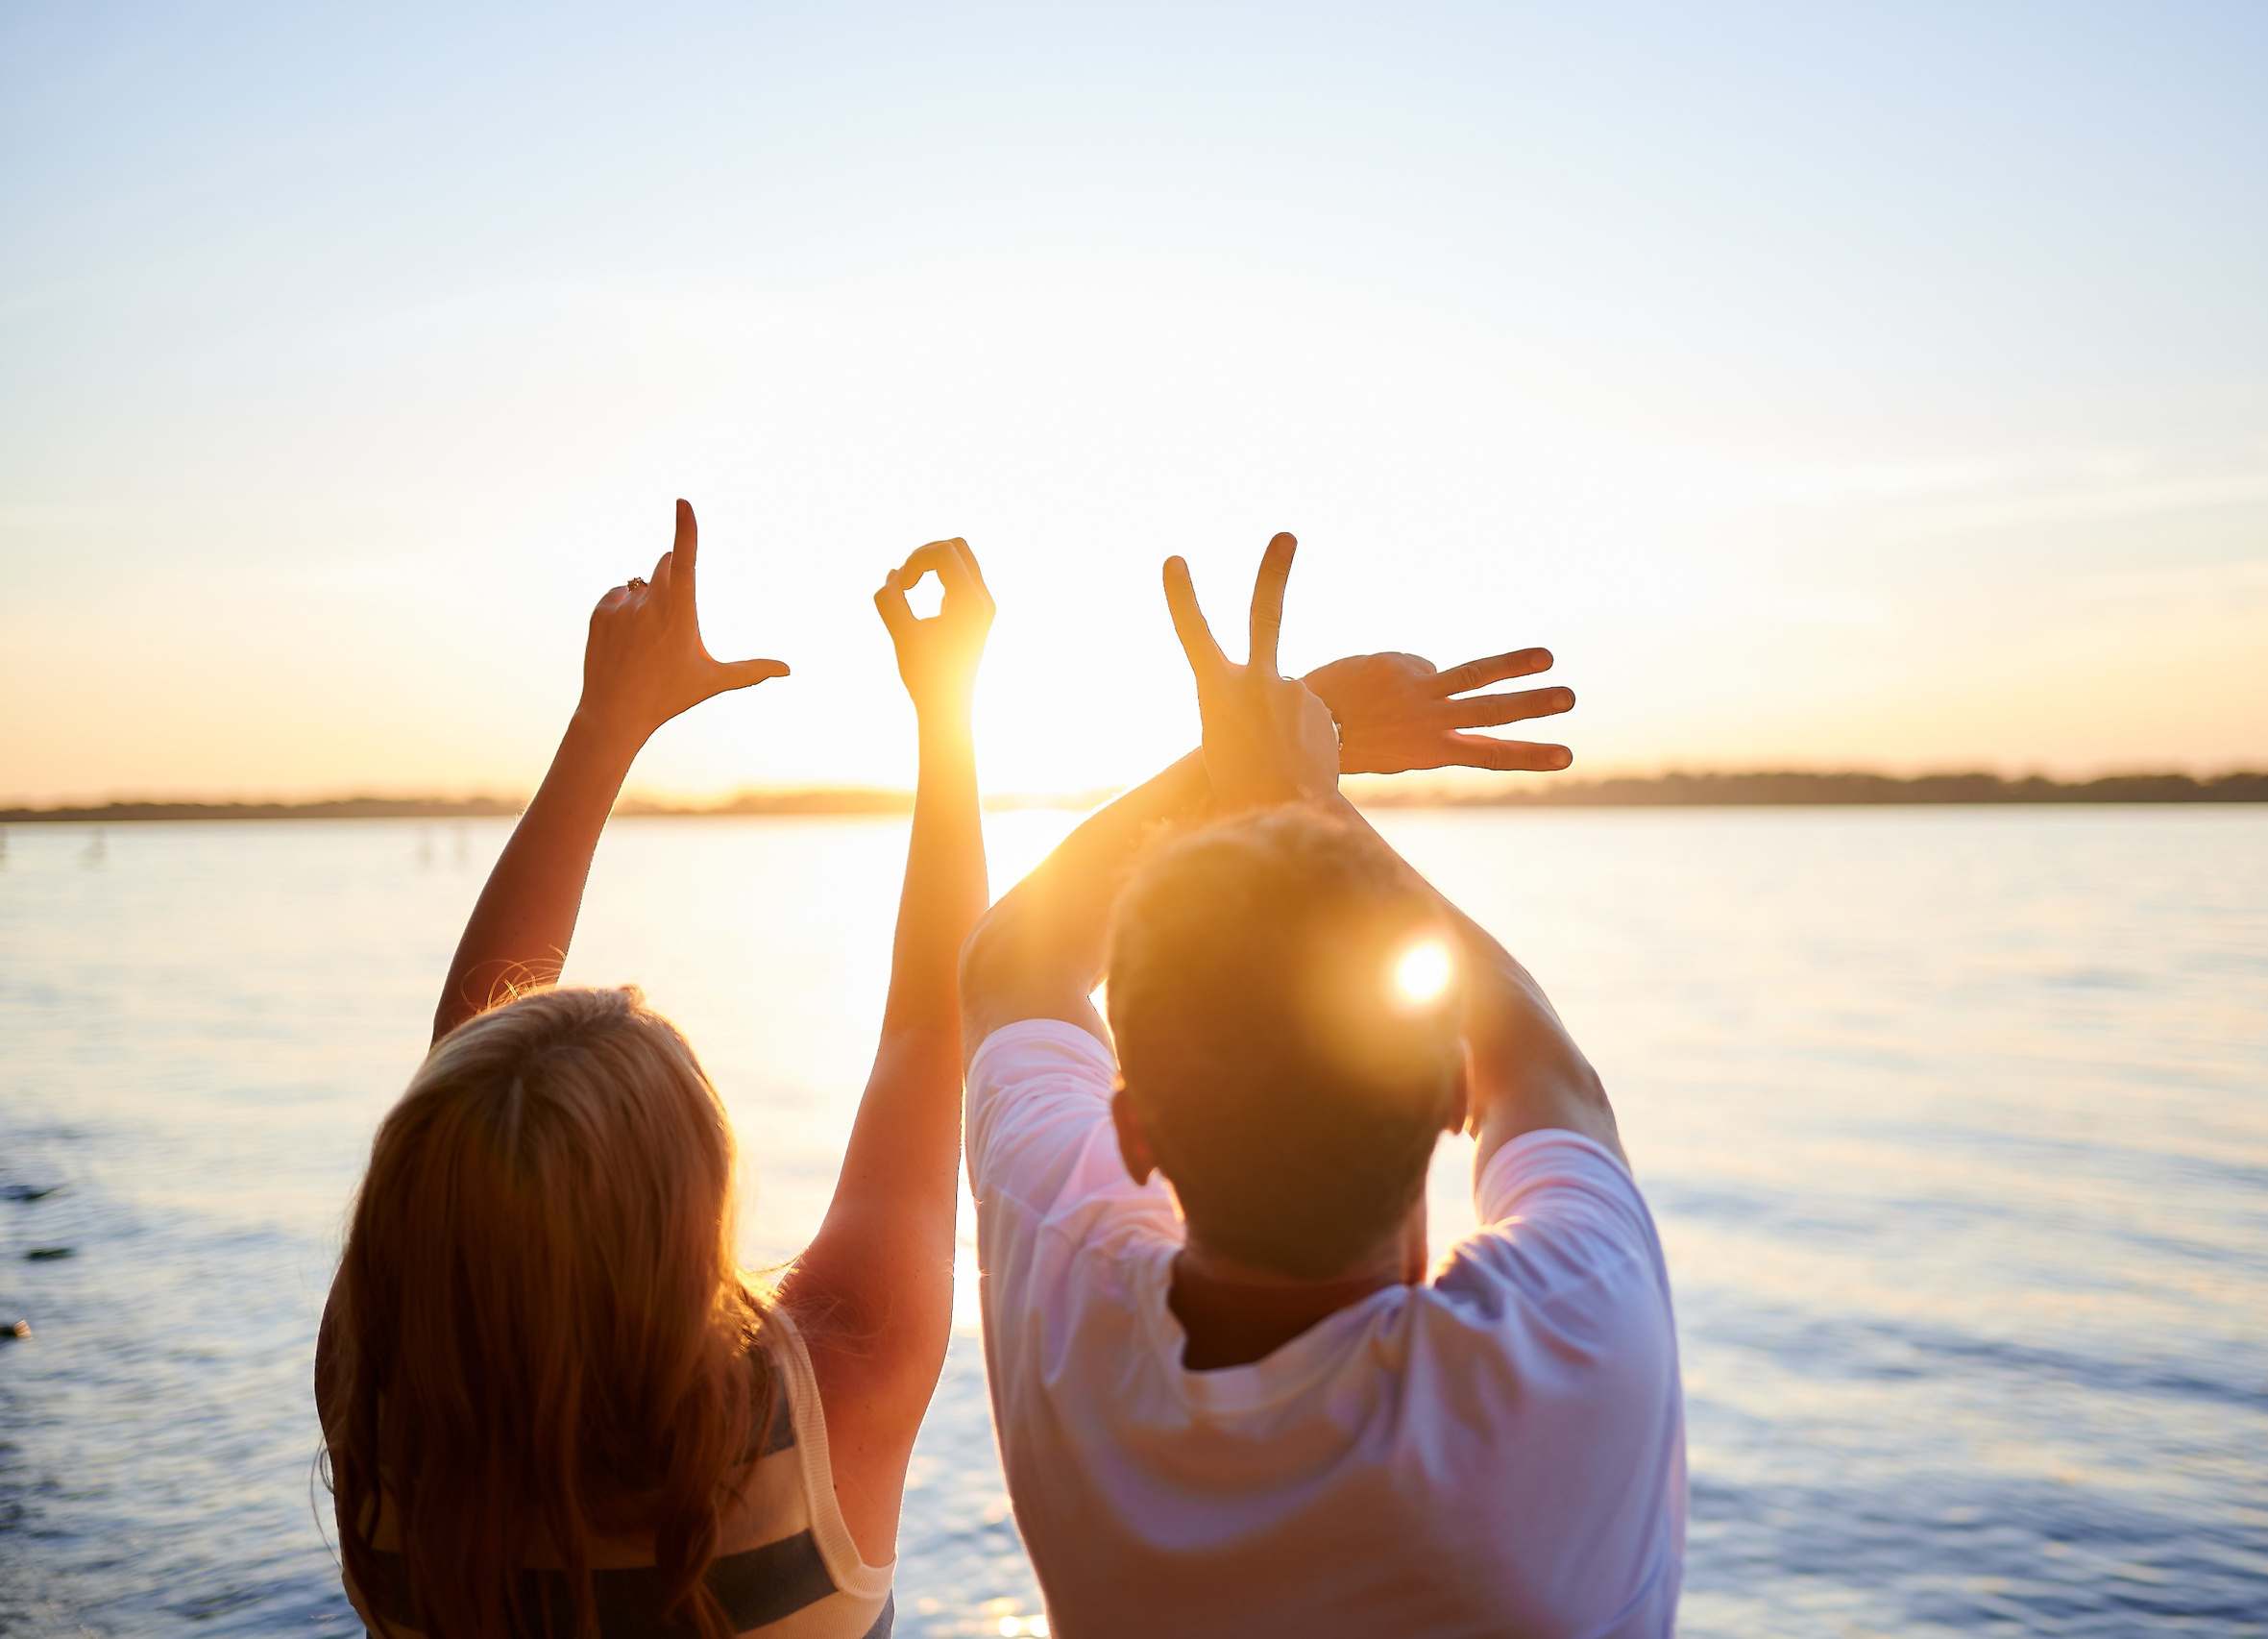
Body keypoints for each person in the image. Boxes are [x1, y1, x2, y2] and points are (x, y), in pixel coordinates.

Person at [959, 534, 1686, 1636]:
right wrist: (1301, 788)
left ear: (1134, 1133)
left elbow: (1012, 960)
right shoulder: (1573, 1337)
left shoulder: (1073, 1303)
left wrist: (1246, 767)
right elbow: (1547, 1072)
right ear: (1453, 1090)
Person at [317, 501, 995, 1639]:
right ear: (690, 1213)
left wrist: (606, 723)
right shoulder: (825, 1404)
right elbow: (935, 1025)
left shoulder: (385, 1419)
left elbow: (458, 1094)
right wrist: (948, 712)